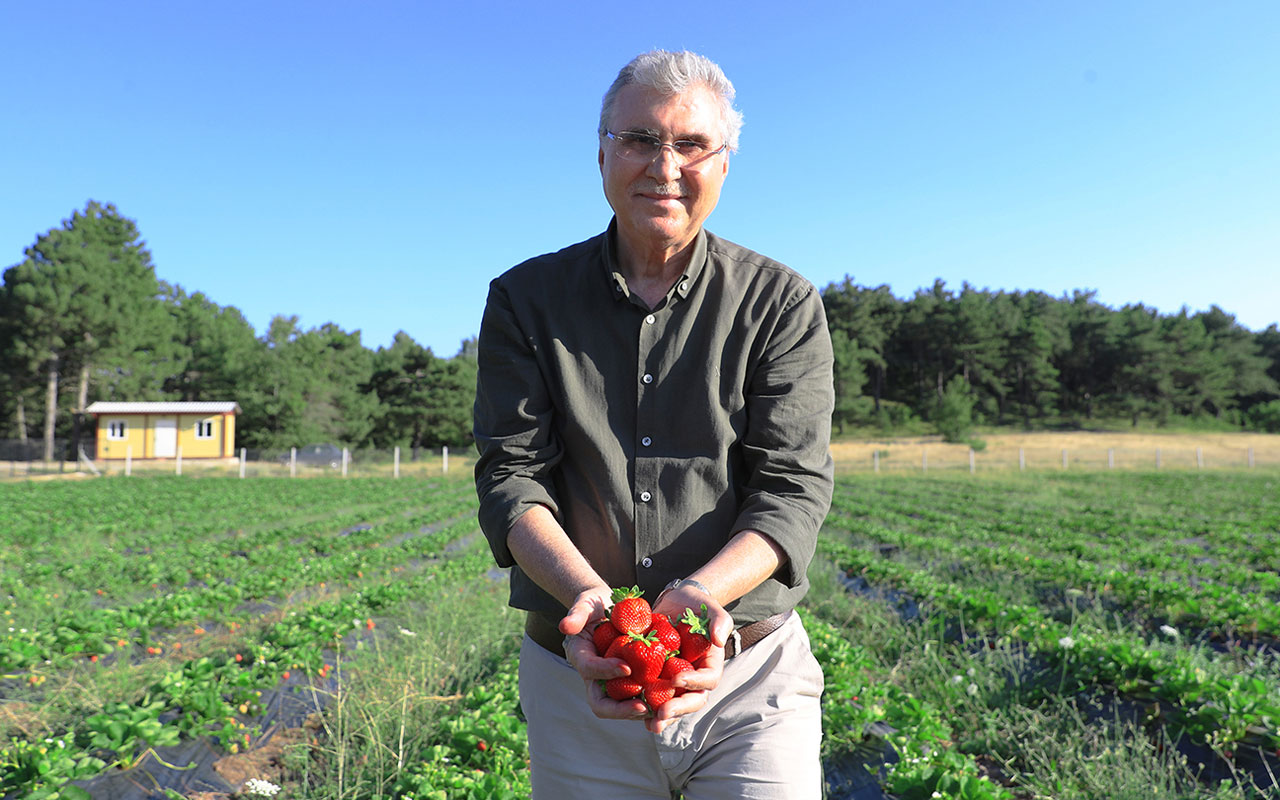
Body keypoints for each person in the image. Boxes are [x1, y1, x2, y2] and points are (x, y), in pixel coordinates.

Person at [473, 49, 835, 799]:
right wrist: (589, 602)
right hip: (578, 681)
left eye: (692, 143)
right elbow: (512, 476)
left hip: (747, 679)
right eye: (638, 139)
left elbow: (792, 488)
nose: (663, 165)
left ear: (725, 163)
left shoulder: (781, 304)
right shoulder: (526, 300)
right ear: (601, 153)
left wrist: (703, 595)